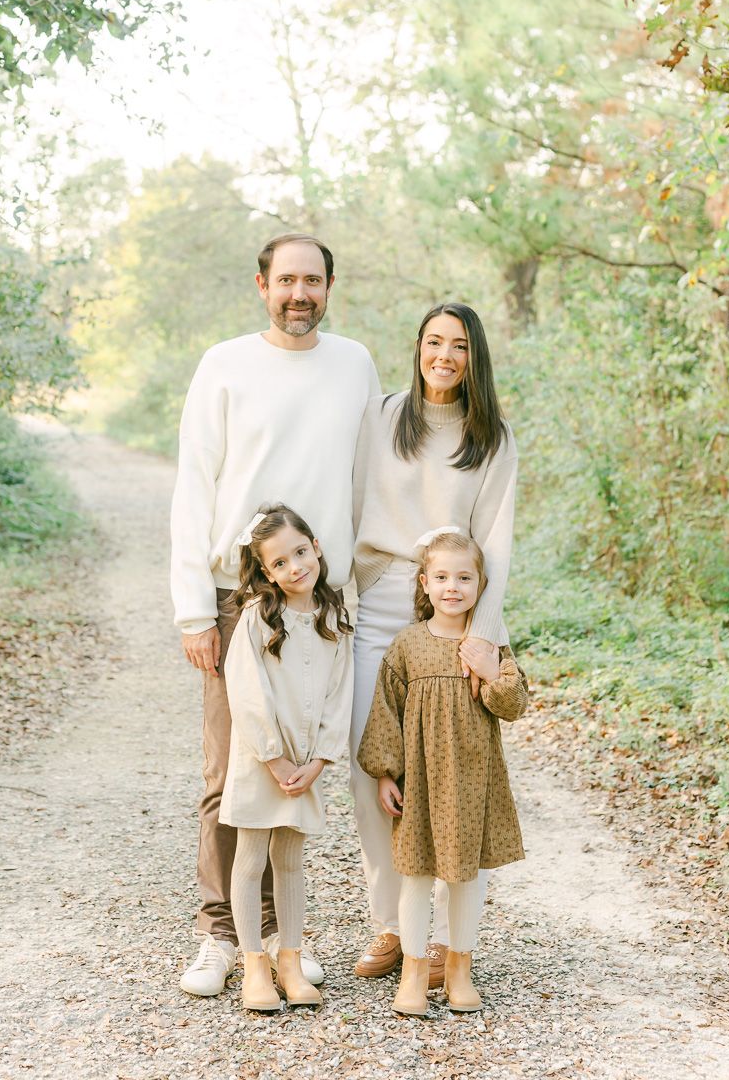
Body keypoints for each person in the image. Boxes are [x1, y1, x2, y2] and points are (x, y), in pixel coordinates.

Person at [171, 233, 380, 997]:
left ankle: (285, 943)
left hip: (322, 601)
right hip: (240, 600)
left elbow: (367, 479)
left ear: (330, 287)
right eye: (286, 279)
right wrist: (194, 609)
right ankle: (222, 938)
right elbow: (195, 485)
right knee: (231, 766)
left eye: (313, 280)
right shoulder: (225, 364)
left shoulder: (354, 363)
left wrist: (366, 586)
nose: (300, 293)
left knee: (299, 767)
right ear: (262, 285)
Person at [350, 302, 518, 986]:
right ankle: (392, 926)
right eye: (433, 342)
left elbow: (497, 543)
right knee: (375, 771)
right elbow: (346, 500)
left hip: (456, 606)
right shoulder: (382, 417)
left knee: (454, 775)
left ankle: (451, 941)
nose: (444, 355)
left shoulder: (493, 437)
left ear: (473, 357)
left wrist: (483, 638)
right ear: (417, 347)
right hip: (384, 596)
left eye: (458, 346)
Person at [357, 528, 527, 1016]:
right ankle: (412, 973)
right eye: (442, 577)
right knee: (415, 873)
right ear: (425, 583)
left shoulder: (487, 642)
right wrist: (385, 774)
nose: (453, 587)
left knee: (465, 877)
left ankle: (458, 968)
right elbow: (385, 711)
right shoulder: (408, 644)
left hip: (473, 778)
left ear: (481, 584)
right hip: (421, 781)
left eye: (465, 577)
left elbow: (514, 705)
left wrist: (492, 669)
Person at [220, 505, 353, 1011]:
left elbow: (341, 694)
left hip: (305, 763)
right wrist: (274, 759)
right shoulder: (258, 617)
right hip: (263, 761)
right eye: (280, 563)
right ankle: (254, 963)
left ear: (316, 547)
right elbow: (247, 692)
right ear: (267, 572)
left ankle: (291, 961)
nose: (295, 567)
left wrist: (319, 761)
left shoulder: (335, 617)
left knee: (292, 861)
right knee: (252, 859)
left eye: (300, 552)